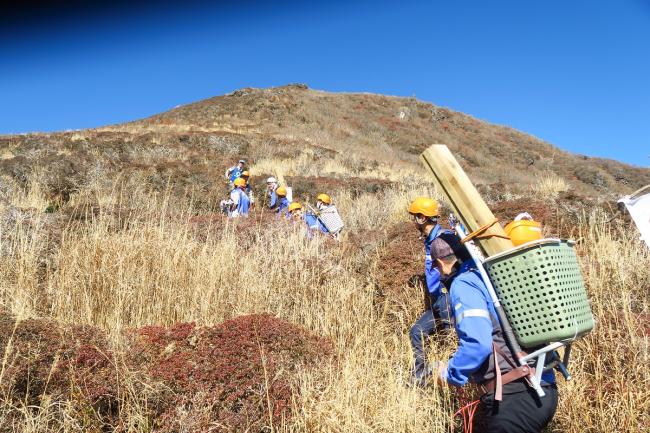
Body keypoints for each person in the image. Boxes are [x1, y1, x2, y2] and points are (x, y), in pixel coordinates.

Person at [427, 234, 558, 433]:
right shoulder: (491, 273)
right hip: (544, 385)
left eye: (435, 267)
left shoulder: (464, 284)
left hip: (515, 396)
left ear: (440, 263)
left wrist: (449, 373)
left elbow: (477, 344)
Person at [407, 197, 454, 384]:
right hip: (437, 300)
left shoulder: (444, 237)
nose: (413, 221)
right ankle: (419, 376)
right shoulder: (429, 240)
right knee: (417, 331)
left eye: (415, 216)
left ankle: (453, 385)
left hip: (447, 298)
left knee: (453, 341)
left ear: (422, 218)